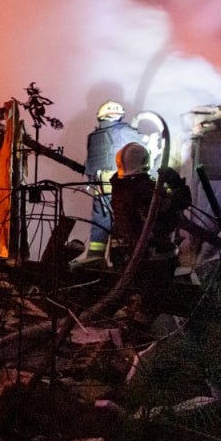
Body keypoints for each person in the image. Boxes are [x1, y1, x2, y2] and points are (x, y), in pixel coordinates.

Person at [108, 141, 190, 310]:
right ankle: (140, 320)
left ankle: (131, 315)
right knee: (151, 304)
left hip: (126, 256)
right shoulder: (146, 191)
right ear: (145, 161)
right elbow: (178, 204)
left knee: (132, 297)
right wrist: (176, 184)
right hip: (154, 259)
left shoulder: (119, 187)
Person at [84, 101, 146, 261]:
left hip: (99, 188)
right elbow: (141, 150)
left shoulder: (94, 136)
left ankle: (94, 258)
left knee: (100, 223)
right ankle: (119, 259)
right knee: (121, 222)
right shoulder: (124, 131)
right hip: (118, 187)